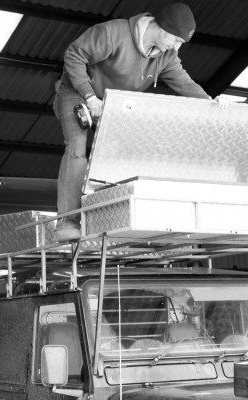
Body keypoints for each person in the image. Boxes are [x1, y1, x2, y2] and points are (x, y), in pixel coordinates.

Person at [53, 3, 229, 239]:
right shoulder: (113, 33)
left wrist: (213, 103)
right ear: (162, 29)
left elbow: (186, 85)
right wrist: (90, 96)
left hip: (113, 105)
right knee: (76, 148)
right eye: (176, 40)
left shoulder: (166, 57)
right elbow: (74, 56)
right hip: (77, 91)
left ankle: (112, 218)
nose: (177, 48)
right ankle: (68, 222)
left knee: (122, 153)